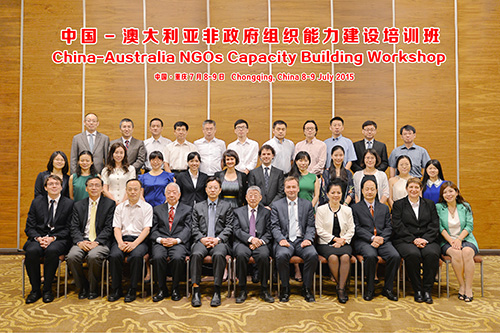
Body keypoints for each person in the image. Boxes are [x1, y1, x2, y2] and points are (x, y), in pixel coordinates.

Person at [24, 175, 74, 304]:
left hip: (59, 239)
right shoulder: (37, 202)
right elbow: (30, 226)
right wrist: (39, 238)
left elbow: (69, 228)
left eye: (57, 184)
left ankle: (47, 289)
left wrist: (53, 238)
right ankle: (35, 290)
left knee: (52, 251)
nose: (54, 186)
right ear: (45, 187)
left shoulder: (69, 203)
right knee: (31, 251)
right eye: (51, 184)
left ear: (61, 187)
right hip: (38, 238)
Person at [392, 178, 440, 304]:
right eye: (411, 187)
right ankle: (417, 289)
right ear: (407, 189)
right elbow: (397, 226)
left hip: (428, 239)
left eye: (416, 187)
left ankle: (427, 290)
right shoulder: (398, 205)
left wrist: (425, 239)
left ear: (421, 189)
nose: (413, 190)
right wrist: (414, 239)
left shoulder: (429, 204)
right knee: (413, 254)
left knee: (432, 254)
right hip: (405, 240)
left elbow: (434, 224)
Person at [352, 176, 400, 302]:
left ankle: (388, 288)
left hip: (383, 240)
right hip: (364, 241)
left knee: (395, 256)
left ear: (376, 190)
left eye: (372, 189)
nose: (369, 192)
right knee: (370, 256)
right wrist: (372, 238)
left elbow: (389, 227)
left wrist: (381, 238)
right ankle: (370, 289)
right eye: (366, 189)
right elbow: (356, 228)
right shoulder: (355, 208)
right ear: (362, 191)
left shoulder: (383, 208)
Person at [271, 176, 318, 303]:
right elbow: (274, 226)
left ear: (298, 188)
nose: (291, 190)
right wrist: (280, 239)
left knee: (312, 254)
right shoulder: (276, 205)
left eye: (293, 187)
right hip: (285, 240)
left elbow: (310, 225)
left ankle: (307, 288)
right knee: (281, 255)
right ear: (284, 189)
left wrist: (308, 239)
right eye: (288, 187)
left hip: (301, 240)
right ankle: (285, 288)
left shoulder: (307, 204)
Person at [67, 176, 115, 299]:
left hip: (101, 242)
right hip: (83, 240)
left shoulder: (110, 204)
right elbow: (74, 227)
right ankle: (82, 287)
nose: (94, 188)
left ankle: (93, 288)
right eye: (91, 185)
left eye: (97, 185)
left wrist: (97, 242)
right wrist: (79, 241)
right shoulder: (78, 205)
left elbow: (109, 228)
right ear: (86, 188)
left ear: (102, 188)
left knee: (94, 256)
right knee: (72, 256)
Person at [190, 177, 234, 307]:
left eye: (215, 188)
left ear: (220, 190)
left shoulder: (227, 206)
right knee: (196, 254)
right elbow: (193, 227)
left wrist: (217, 239)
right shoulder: (198, 206)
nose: (213, 190)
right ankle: (196, 290)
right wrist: (202, 239)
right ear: (206, 190)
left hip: (219, 241)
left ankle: (217, 290)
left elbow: (229, 227)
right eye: (210, 187)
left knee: (219, 255)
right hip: (201, 240)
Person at [108, 179, 152, 303]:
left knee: (137, 256)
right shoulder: (119, 207)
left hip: (139, 240)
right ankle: (116, 289)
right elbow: (116, 228)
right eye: (130, 189)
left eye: (135, 189)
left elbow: (146, 230)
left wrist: (134, 244)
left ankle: (132, 289)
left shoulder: (147, 207)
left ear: (140, 191)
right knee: (114, 255)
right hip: (122, 238)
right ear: (126, 191)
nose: (133, 192)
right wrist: (120, 243)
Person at [436, 181, 479, 302]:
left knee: (466, 253)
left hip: (465, 238)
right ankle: (462, 285)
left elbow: (469, 226)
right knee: (456, 254)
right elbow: (439, 227)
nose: (448, 194)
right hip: (446, 240)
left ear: (456, 192)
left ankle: (469, 288)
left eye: (451, 191)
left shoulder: (465, 206)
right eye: (445, 192)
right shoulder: (439, 207)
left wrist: (459, 239)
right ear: (442, 195)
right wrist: (452, 241)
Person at [233, 186, 275, 303]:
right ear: (246, 197)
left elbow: (269, 231)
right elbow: (236, 230)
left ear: (260, 198)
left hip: (260, 242)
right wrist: (251, 239)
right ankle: (242, 289)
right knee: (241, 255)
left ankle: (264, 289)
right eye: (250, 195)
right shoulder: (238, 211)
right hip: (243, 242)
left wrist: (259, 242)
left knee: (263, 255)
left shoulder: (266, 212)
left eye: (255, 195)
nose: (252, 198)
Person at [151, 183, 192, 302]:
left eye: (174, 192)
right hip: (161, 242)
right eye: (169, 192)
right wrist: (161, 240)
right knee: (158, 257)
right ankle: (162, 289)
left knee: (178, 257)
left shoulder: (187, 209)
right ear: (165, 194)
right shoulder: (157, 209)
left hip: (178, 241)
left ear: (179, 195)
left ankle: (175, 288)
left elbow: (188, 228)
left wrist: (176, 240)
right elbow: (153, 230)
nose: (171, 195)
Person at [315, 179, 354, 303]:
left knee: (345, 257)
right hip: (325, 243)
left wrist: (342, 241)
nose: (336, 195)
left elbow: (351, 229)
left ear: (342, 194)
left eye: (338, 192)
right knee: (332, 257)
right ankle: (341, 285)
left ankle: (340, 289)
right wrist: (334, 239)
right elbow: (319, 230)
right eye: (333, 192)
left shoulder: (347, 210)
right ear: (327, 194)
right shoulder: (321, 209)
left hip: (344, 242)